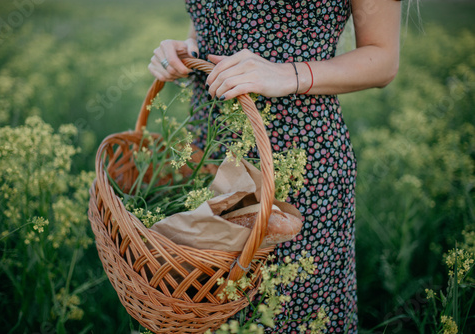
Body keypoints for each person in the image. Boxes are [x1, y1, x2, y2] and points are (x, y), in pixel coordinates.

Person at [149, 0, 401, 332]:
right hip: (206, 150)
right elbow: (212, 21)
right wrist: (187, 48)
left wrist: (286, 74)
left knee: (287, 315)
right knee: (201, 309)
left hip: (295, 168)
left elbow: (382, 58)